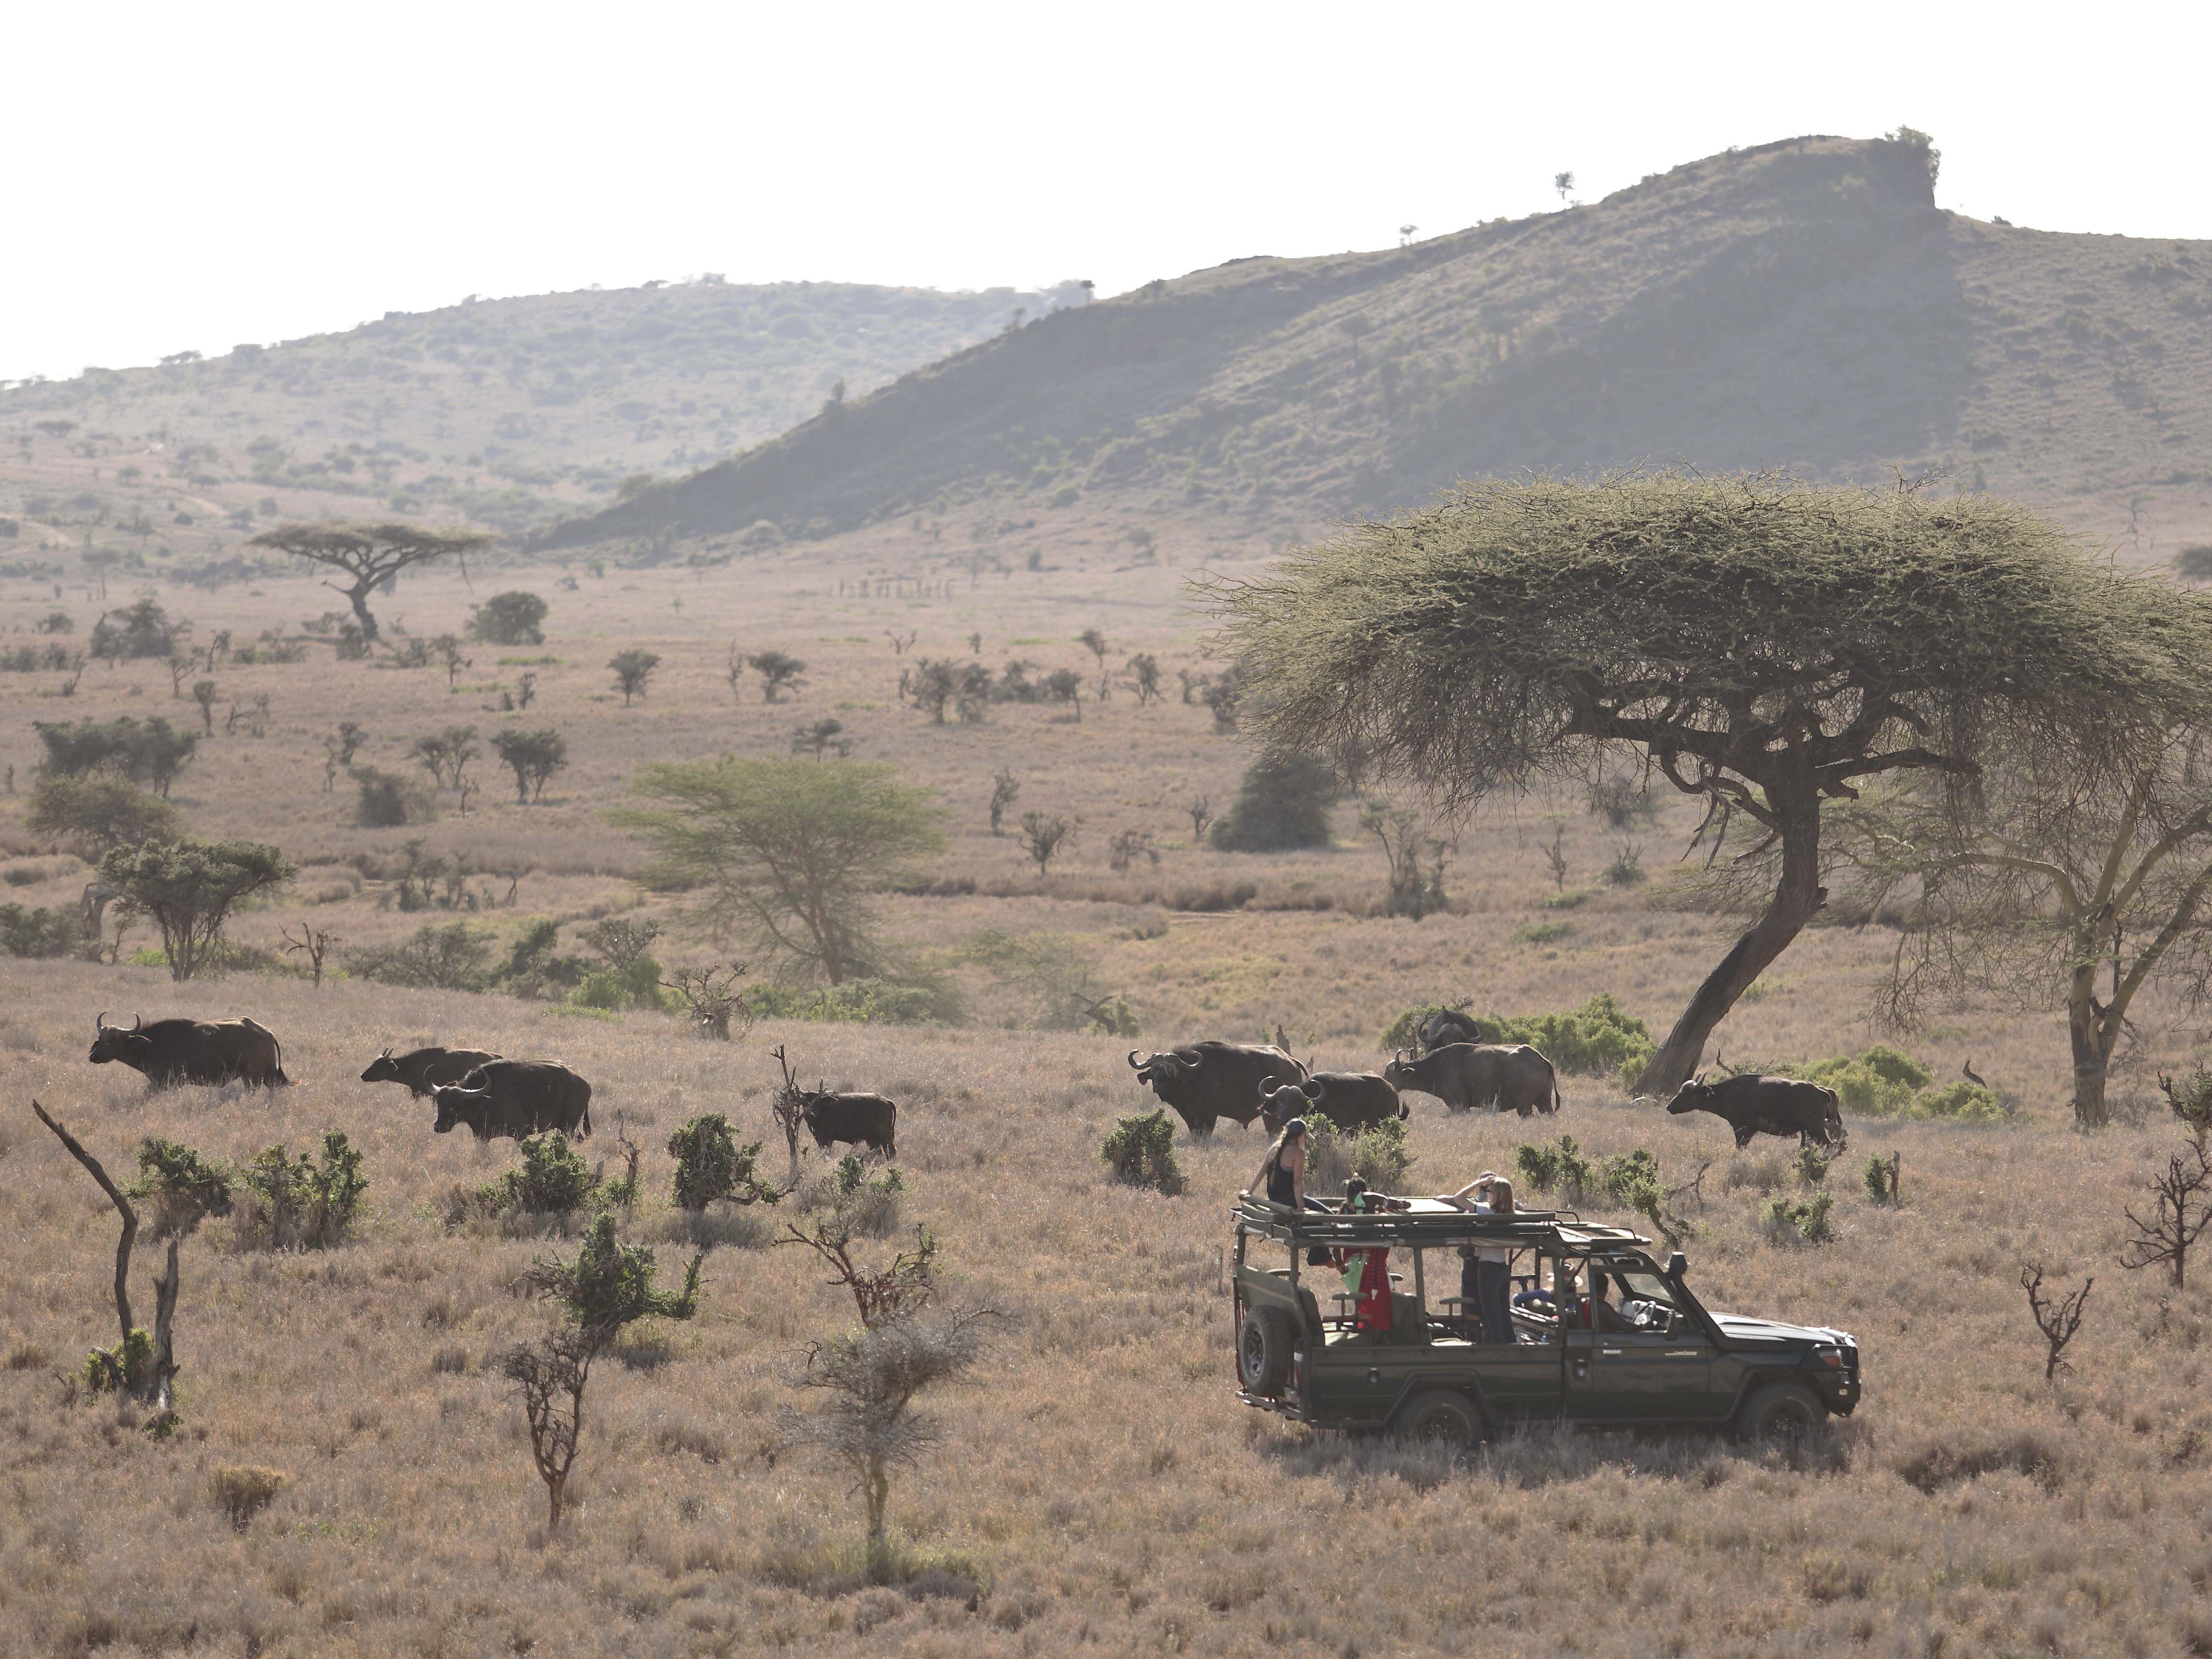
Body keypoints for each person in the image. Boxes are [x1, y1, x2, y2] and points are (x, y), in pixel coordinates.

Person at [1441, 1172, 1516, 1343]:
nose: (1486, 1194)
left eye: (1488, 1191)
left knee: (1492, 1319)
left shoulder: (1488, 1212)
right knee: (1504, 1315)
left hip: (1488, 1268)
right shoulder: (1511, 1213)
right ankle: (1512, 1348)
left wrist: (1477, 1183)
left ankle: (1497, 1353)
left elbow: (1459, 1198)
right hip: (1502, 1268)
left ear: (1496, 1195)